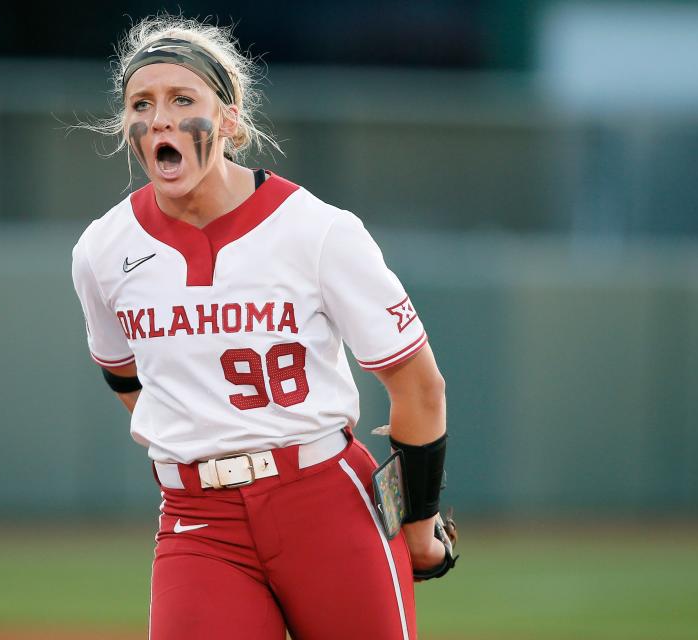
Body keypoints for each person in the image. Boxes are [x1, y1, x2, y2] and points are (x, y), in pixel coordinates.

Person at [71, 15, 453, 640]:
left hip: (324, 501)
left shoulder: (317, 231)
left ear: (227, 117)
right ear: (127, 127)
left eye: (182, 99)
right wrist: (203, 430)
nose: (160, 118)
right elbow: (124, 376)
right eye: (142, 103)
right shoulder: (102, 249)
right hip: (198, 518)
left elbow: (420, 386)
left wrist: (420, 528)